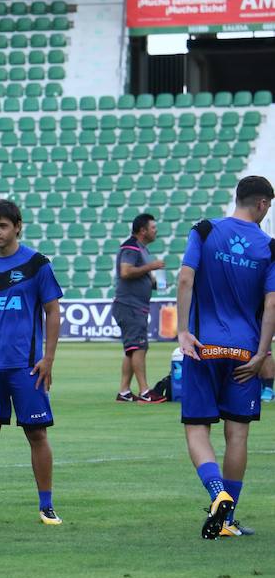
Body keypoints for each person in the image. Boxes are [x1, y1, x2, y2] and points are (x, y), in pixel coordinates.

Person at [176, 175, 275, 539]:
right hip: (245, 351)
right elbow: (272, 304)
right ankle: (228, 519)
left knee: (197, 428)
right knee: (237, 435)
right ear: (263, 204)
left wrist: (183, 331)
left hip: (204, 348)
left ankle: (217, 495)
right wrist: (264, 353)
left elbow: (186, 279)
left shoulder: (203, 230)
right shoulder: (269, 247)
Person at [0, 199, 64, 527]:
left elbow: (52, 311)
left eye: (2, 225)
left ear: (17, 227)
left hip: (26, 366)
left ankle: (46, 506)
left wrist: (48, 358)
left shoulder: (36, 264)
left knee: (37, 433)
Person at [112, 214, 166, 402]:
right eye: (153, 227)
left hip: (134, 305)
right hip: (130, 305)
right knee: (139, 346)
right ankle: (145, 391)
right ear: (142, 230)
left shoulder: (141, 249)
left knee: (132, 348)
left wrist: (150, 281)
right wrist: (151, 267)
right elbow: (125, 271)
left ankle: (124, 392)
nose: (155, 230)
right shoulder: (131, 247)